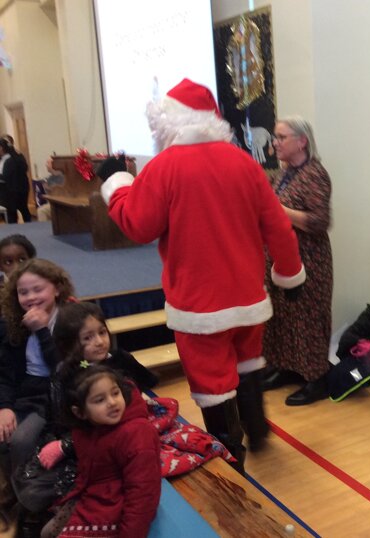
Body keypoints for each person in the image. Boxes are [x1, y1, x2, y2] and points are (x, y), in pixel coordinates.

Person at [99, 78, 305, 472]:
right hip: (248, 298)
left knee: (213, 386)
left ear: (168, 123)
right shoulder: (243, 163)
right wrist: (290, 273)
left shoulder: (163, 168)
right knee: (247, 363)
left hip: (198, 306)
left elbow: (138, 225)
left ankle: (231, 461)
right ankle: (257, 429)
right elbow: (278, 227)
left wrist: (118, 185)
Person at [38, 360, 161, 537]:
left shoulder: (137, 433)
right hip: (97, 498)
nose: (112, 402)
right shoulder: (85, 429)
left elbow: (143, 495)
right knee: (46, 532)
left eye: (115, 393)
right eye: (100, 400)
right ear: (80, 412)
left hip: (116, 510)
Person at [261, 116, 333, 412]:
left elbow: (319, 221)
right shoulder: (284, 173)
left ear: (302, 141)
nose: (275, 143)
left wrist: (276, 209)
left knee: (308, 317)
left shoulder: (315, 173)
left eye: (282, 137)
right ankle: (288, 367)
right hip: (280, 256)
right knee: (282, 314)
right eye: (275, 137)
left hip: (309, 258)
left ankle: (317, 378)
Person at [0, 259, 74, 472]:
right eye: (23, 292)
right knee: (3, 434)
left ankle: (25, 486)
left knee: (21, 440)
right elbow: (5, 373)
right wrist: (4, 407)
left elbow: (62, 369)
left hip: (56, 393)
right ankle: (13, 484)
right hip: (25, 392)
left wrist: (42, 331)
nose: (31, 297)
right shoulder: (14, 323)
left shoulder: (71, 319)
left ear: (57, 289)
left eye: (38, 289)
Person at [53, 301, 158, 392]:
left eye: (102, 332)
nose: (99, 342)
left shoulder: (121, 358)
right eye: (87, 338)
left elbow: (149, 382)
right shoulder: (70, 374)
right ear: (69, 344)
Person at [0, 138, 31, 224]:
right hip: (6, 190)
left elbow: (6, 176)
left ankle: (28, 226)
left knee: (20, 210)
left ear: (1, 148)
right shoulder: (4, 159)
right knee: (11, 212)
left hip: (15, 190)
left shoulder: (12, 159)